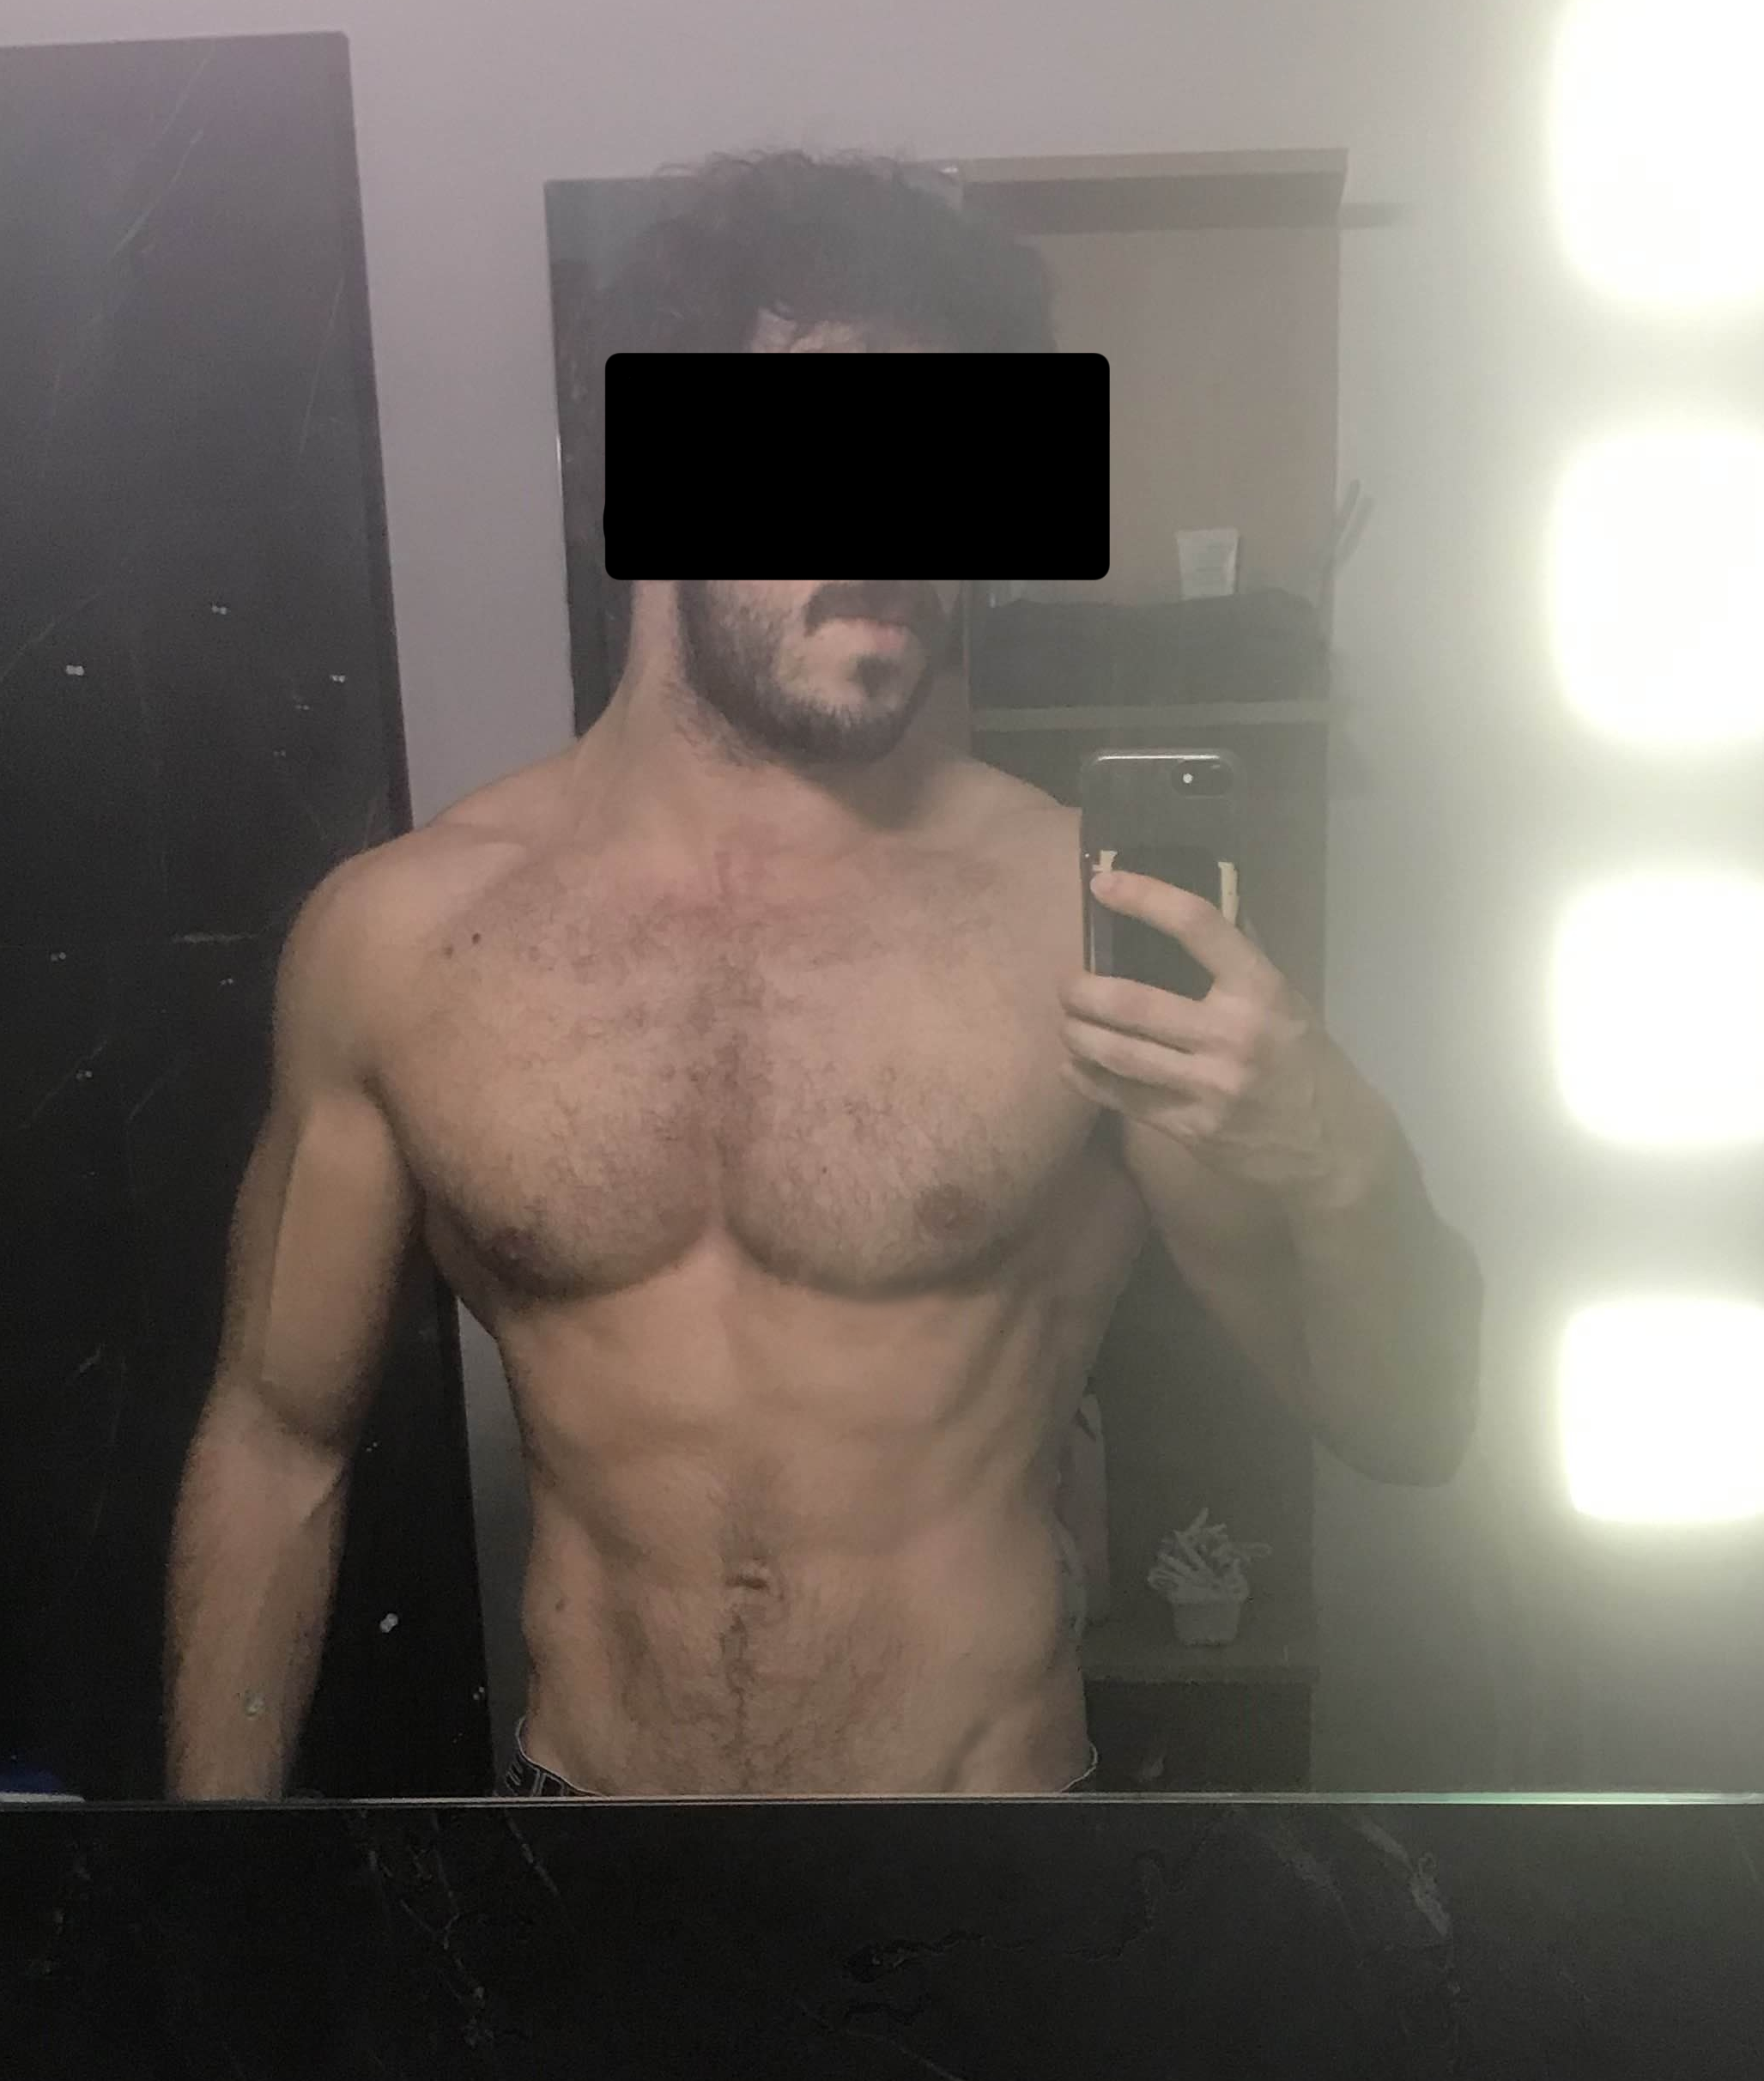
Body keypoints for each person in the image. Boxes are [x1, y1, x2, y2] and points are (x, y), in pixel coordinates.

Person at [165, 150, 1482, 1800]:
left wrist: (1345, 1159)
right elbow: (276, 1443)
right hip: (593, 1862)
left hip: (986, 1868)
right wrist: (195, 1903)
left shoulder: (1084, 912)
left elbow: (1404, 1425)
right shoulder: (401, 940)